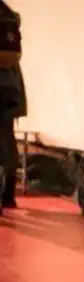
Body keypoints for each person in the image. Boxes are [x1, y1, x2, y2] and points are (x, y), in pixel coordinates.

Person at [0, 4, 26, 214]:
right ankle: (7, 195)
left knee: (5, 143)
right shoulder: (8, 17)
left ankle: (5, 197)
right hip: (10, 88)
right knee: (7, 141)